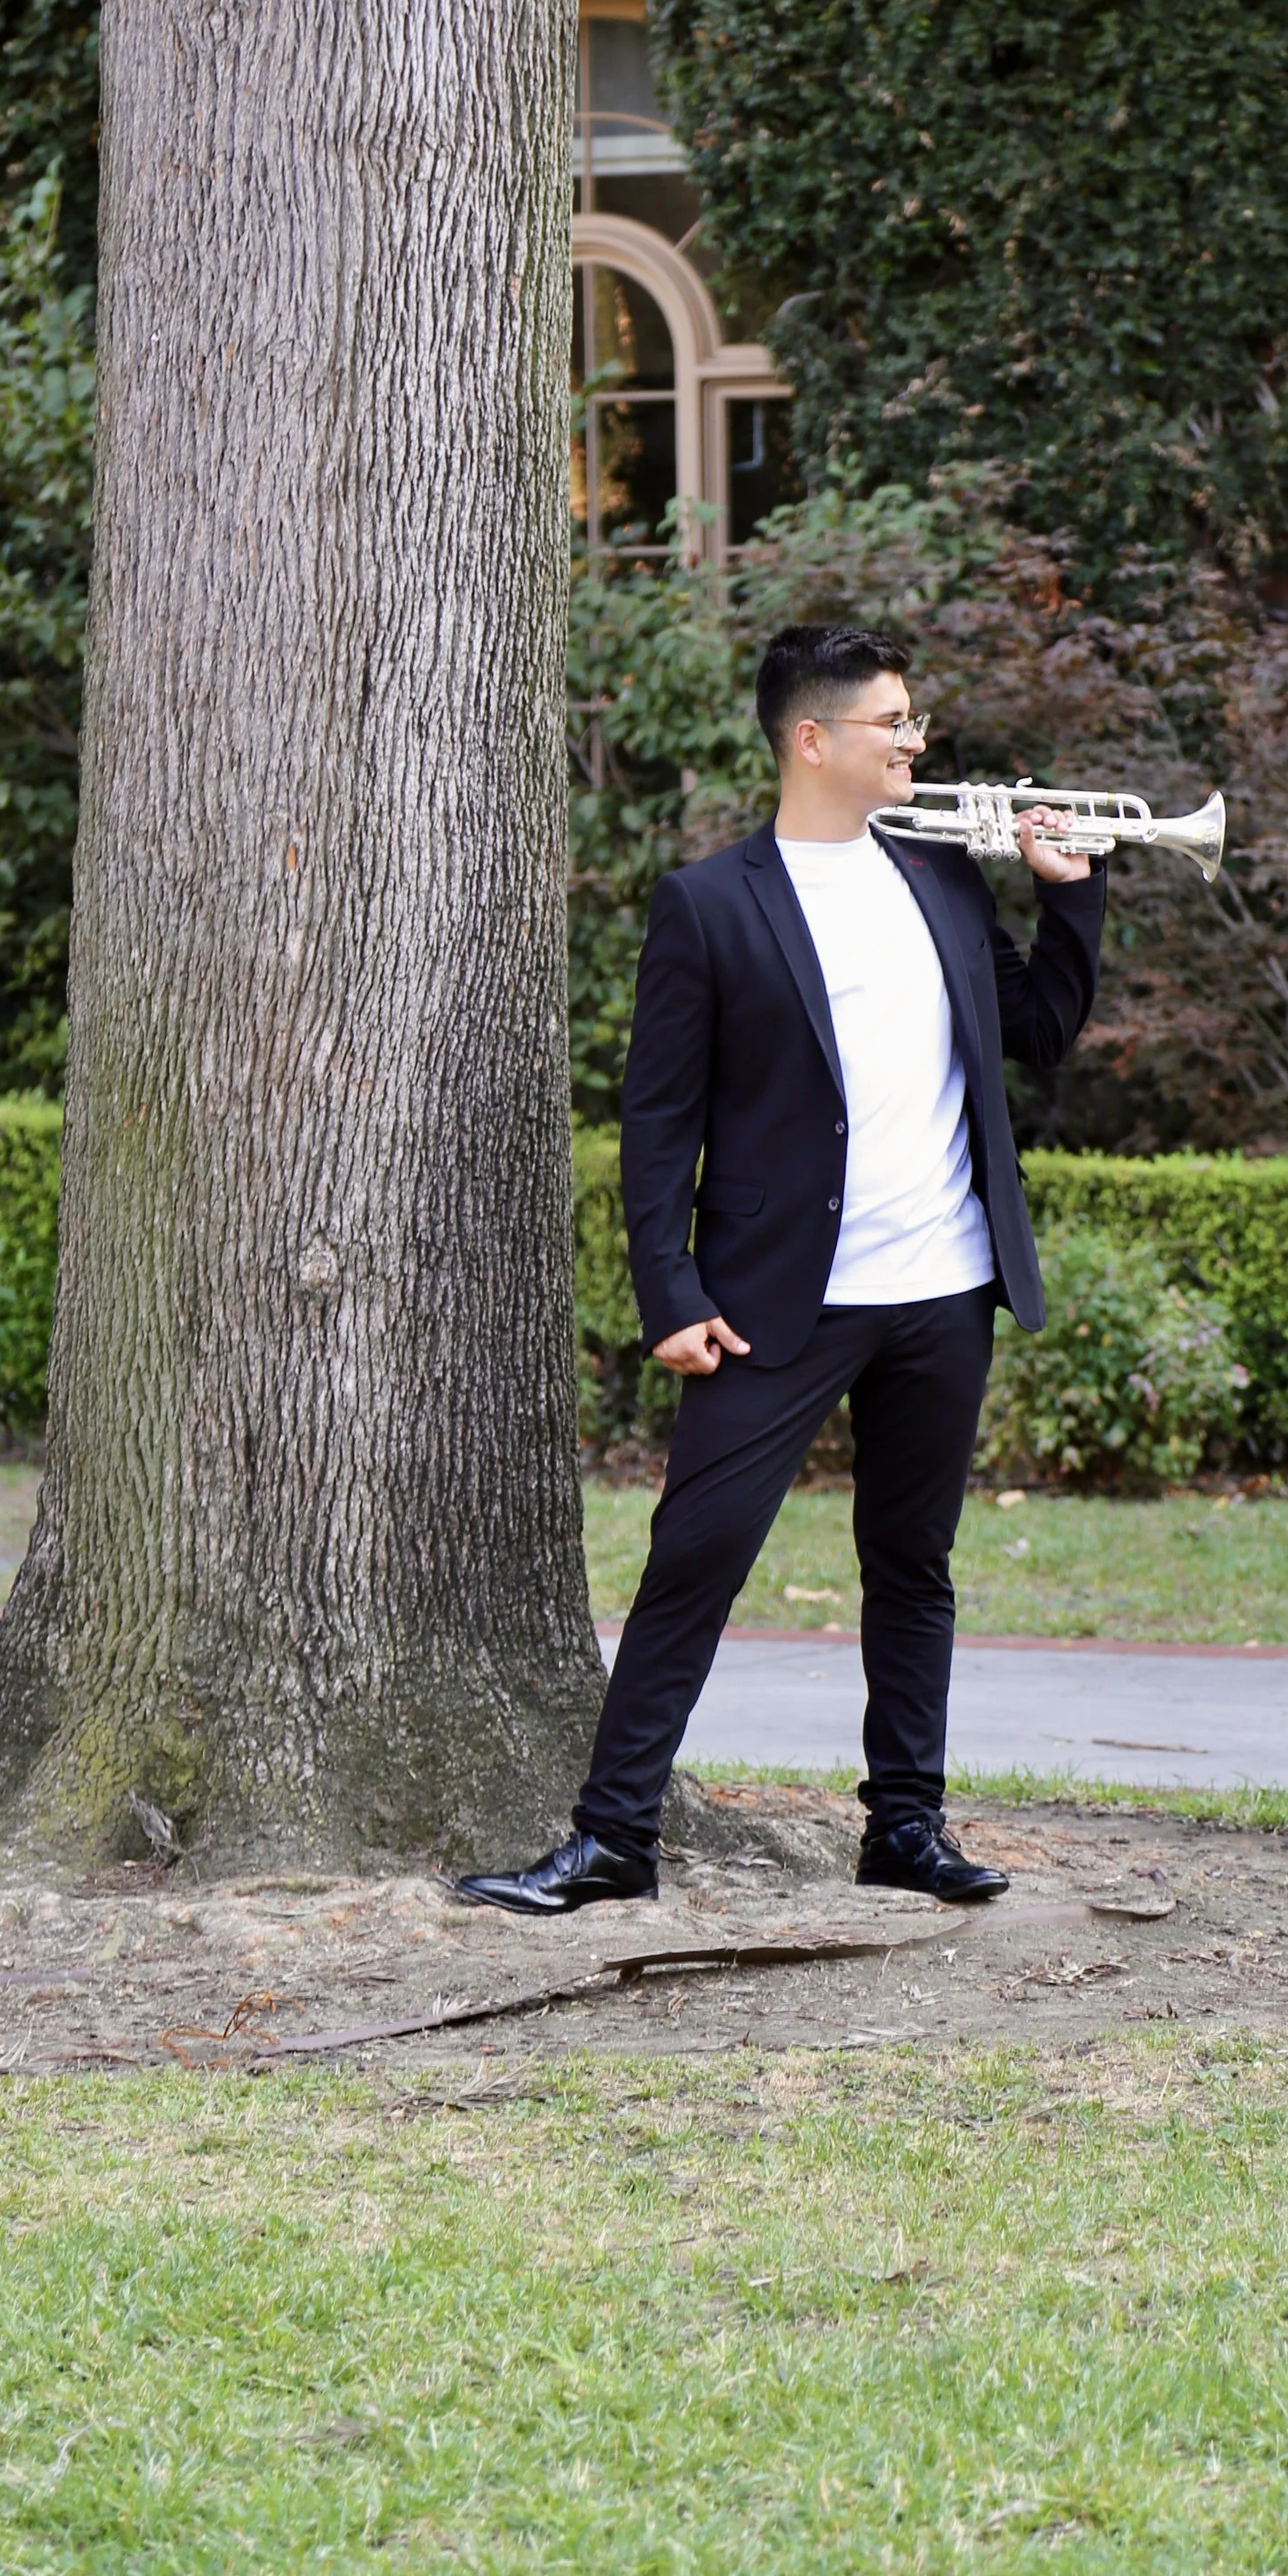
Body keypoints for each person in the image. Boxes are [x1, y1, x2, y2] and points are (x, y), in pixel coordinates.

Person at [456, 621, 1105, 1916]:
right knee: (695, 1556)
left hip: (941, 1290)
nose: (918, 740)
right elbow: (659, 1117)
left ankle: (904, 1828)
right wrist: (670, 1292)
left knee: (912, 1565)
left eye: (915, 720)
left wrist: (1069, 892)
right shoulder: (710, 903)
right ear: (813, 740)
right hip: (769, 1306)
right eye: (895, 722)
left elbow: (1035, 1032)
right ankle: (613, 1837)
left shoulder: (944, 880)